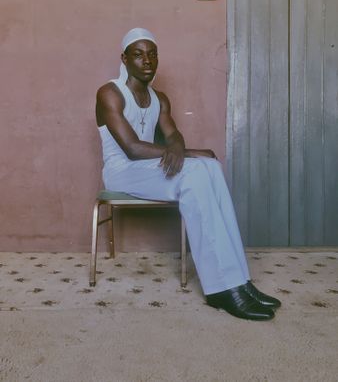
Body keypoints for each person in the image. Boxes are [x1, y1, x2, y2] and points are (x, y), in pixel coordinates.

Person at [96, 27, 281, 321]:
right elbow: (131, 148)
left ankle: (240, 280)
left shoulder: (160, 99)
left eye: (152, 54)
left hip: (147, 167)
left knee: (211, 166)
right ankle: (220, 288)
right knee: (195, 171)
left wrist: (182, 147)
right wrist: (190, 153)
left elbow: (173, 137)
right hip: (122, 171)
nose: (147, 61)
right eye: (138, 54)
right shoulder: (110, 93)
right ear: (125, 59)